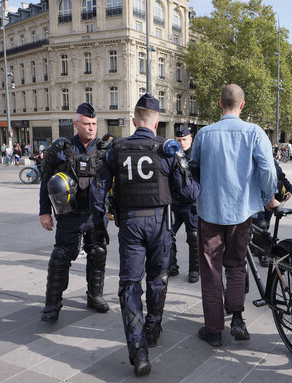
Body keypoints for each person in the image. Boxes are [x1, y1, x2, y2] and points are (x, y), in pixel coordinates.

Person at [90, 94, 200, 376]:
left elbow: (98, 192)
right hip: (159, 224)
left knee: (129, 285)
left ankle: (138, 350)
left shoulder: (117, 148)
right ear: (157, 121)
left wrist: (99, 226)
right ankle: (153, 325)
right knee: (158, 278)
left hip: (129, 225)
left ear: (133, 120)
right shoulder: (167, 149)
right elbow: (188, 192)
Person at [189, 84, 278, 348]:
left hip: (210, 212)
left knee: (211, 270)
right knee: (236, 264)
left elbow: (192, 169)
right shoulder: (254, 132)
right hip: (241, 213)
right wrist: (266, 198)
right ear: (242, 105)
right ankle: (238, 319)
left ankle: (214, 330)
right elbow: (268, 170)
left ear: (219, 104)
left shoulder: (204, 134)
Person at [39, 103, 109, 324]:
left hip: (96, 214)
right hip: (69, 214)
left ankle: (95, 296)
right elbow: (46, 180)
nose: (91, 128)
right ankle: (52, 304)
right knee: (61, 256)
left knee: (97, 253)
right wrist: (44, 212)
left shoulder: (105, 149)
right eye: (87, 124)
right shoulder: (60, 149)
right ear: (76, 124)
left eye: (94, 124)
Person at [168, 125, 201, 283]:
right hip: (174, 203)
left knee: (193, 237)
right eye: (179, 139)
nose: (181, 142)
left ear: (191, 138)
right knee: (167, 234)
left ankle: (194, 269)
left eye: (184, 139)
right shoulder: (171, 155)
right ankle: (171, 266)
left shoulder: (197, 155)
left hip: (191, 204)